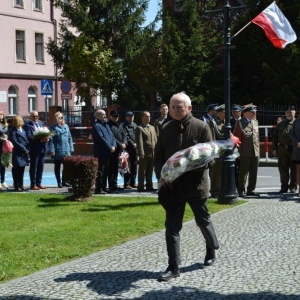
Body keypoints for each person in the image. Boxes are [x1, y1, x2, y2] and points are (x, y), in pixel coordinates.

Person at [154, 92, 219, 282]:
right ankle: (173, 267)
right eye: (173, 106)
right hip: (173, 188)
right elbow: (158, 156)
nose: (175, 110)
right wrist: (162, 174)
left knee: (203, 221)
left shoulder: (201, 127)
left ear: (189, 108)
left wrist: (197, 162)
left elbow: (212, 157)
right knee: (172, 228)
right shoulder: (165, 128)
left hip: (196, 186)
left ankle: (211, 247)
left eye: (179, 106)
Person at [233, 104, 260, 197]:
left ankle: (251, 189)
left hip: (255, 151)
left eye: (254, 112)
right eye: (252, 112)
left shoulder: (255, 122)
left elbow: (257, 138)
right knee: (243, 172)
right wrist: (238, 152)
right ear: (247, 113)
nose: (254, 114)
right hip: (245, 151)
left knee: (254, 171)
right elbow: (237, 139)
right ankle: (241, 190)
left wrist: (258, 150)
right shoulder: (240, 123)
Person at [272, 106, 297, 193]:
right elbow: (274, 137)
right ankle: (284, 186)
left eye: (291, 112)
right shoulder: (281, 124)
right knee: (283, 169)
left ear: (295, 113)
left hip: (294, 149)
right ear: (285, 113)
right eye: (287, 112)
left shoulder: (297, 123)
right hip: (282, 149)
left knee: (294, 169)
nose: (289, 114)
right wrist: (274, 149)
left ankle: (293, 186)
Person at [92, 109, 116, 195]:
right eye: (103, 115)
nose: (105, 116)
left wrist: (114, 146)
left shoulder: (106, 125)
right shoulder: (96, 126)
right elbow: (101, 139)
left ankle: (104, 187)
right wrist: (110, 147)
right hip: (101, 152)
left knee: (106, 171)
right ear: (97, 116)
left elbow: (112, 136)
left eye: (105, 114)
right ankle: (98, 189)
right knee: (101, 171)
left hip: (109, 152)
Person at [24, 110, 49, 190]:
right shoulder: (28, 125)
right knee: (34, 167)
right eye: (33, 116)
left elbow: (45, 132)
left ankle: (39, 183)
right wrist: (40, 140)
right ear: (30, 117)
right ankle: (33, 184)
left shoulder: (41, 124)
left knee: (40, 167)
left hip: (42, 148)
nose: (35, 118)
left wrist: (47, 138)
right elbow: (29, 137)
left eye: (37, 116)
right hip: (34, 149)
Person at [48, 112, 74, 188]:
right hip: (58, 149)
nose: (61, 119)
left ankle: (64, 181)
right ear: (56, 118)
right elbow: (51, 140)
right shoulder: (52, 127)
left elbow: (69, 138)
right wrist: (52, 150)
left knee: (67, 166)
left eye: (62, 117)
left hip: (66, 149)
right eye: (59, 118)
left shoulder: (66, 126)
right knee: (57, 167)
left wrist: (71, 147)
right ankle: (59, 182)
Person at [136, 111, 157, 192]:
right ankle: (140, 186)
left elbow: (155, 140)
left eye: (149, 116)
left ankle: (149, 185)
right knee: (142, 170)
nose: (148, 118)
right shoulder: (139, 128)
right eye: (146, 116)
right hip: (144, 153)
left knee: (150, 170)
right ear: (142, 117)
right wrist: (141, 153)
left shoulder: (152, 127)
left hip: (152, 153)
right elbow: (139, 141)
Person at [107, 110, 127, 193]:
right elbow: (112, 137)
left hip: (119, 150)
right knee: (111, 169)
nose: (116, 118)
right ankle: (111, 185)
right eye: (114, 116)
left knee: (116, 168)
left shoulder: (120, 125)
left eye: (117, 116)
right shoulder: (108, 125)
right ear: (110, 116)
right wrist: (120, 144)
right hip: (113, 149)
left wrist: (125, 143)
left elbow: (124, 134)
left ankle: (115, 184)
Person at [208, 104, 226, 197]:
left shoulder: (225, 122)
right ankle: (215, 191)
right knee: (216, 172)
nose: (226, 114)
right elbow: (211, 137)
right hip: (217, 151)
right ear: (219, 113)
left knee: (224, 172)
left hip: (225, 150)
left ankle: (223, 190)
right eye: (224, 112)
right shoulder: (213, 122)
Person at [9, 115, 29, 192]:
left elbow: (26, 140)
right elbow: (15, 142)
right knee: (16, 169)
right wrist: (24, 149)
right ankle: (16, 185)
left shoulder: (23, 130)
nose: (20, 123)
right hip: (17, 152)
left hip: (24, 152)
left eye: (21, 121)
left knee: (22, 169)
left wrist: (27, 148)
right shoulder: (13, 131)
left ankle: (21, 185)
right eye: (19, 121)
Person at [122, 111, 138, 189]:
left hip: (135, 149)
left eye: (132, 116)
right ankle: (127, 183)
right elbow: (126, 136)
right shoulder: (123, 125)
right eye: (129, 116)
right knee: (127, 166)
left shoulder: (135, 125)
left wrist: (137, 143)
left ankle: (133, 182)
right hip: (128, 149)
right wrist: (133, 144)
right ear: (126, 117)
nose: (131, 117)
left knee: (134, 166)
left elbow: (138, 135)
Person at [230, 104, 242, 188]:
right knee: (233, 167)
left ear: (240, 112)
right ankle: (234, 185)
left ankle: (241, 185)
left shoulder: (243, 121)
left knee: (242, 168)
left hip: (242, 147)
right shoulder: (229, 122)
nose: (234, 113)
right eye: (233, 112)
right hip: (233, 148)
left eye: (236, 112)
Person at [290, 109, 300, 196]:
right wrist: (297, 142)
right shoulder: (296, 121)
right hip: (298, 148)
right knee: (298, 170)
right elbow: (291, 133)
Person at [0, 111, 9, 189]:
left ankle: (2, 181)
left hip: (4, 147)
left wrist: (6, 137)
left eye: (2, 114)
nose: (1, 116)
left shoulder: (5, 125)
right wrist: (1, 138)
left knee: (3, 164)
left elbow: (8, 134)